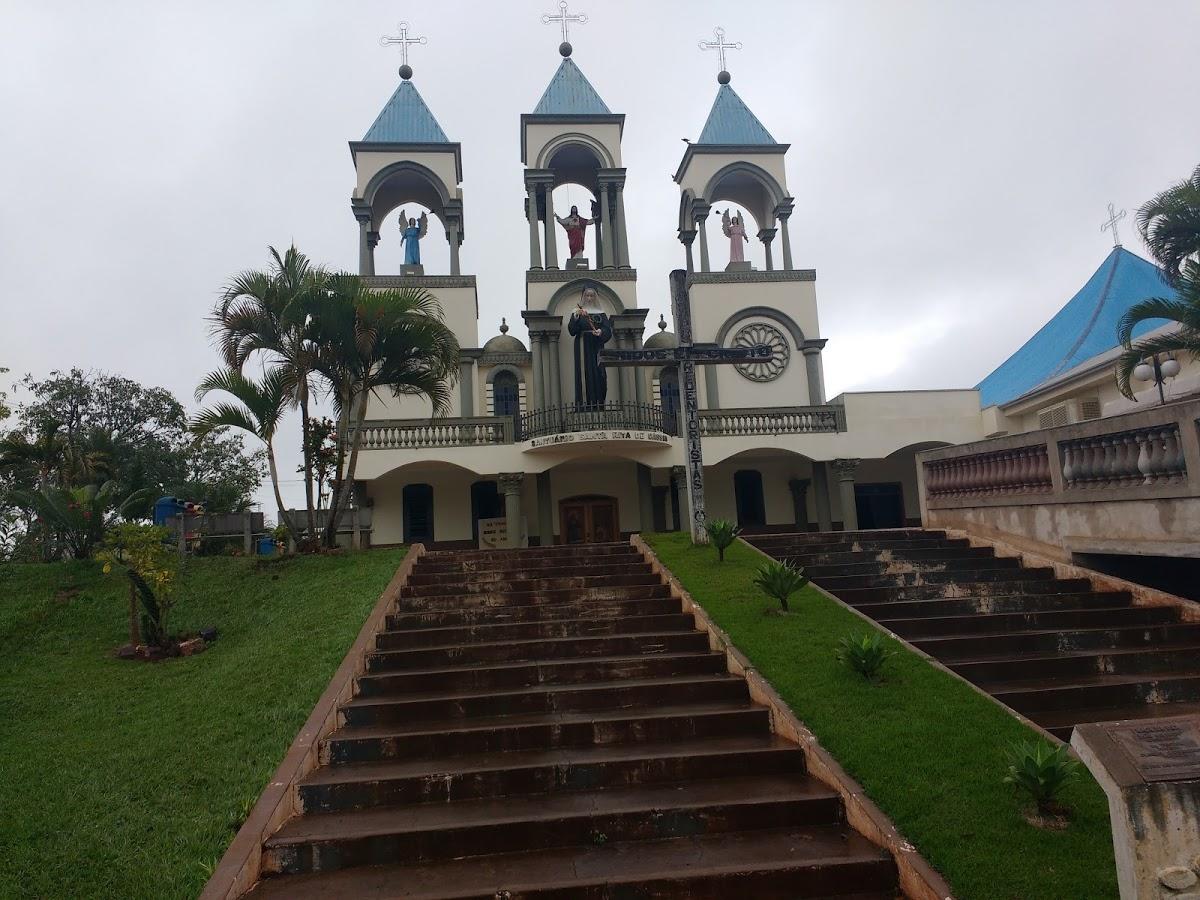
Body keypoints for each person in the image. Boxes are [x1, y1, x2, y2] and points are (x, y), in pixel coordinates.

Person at [566, 287, 613, 408]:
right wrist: (576, 317)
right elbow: (572, 330)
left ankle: (599, 404)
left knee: (599, 375)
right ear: (583, 297)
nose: (589, 298)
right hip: (582, 346)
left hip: (597, 346)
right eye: (587, 295)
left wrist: (601, 332)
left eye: (592, 296)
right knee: (584, 374)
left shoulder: (601, 313)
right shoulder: (577, 312)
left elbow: (608, 330)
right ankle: (583, 405)